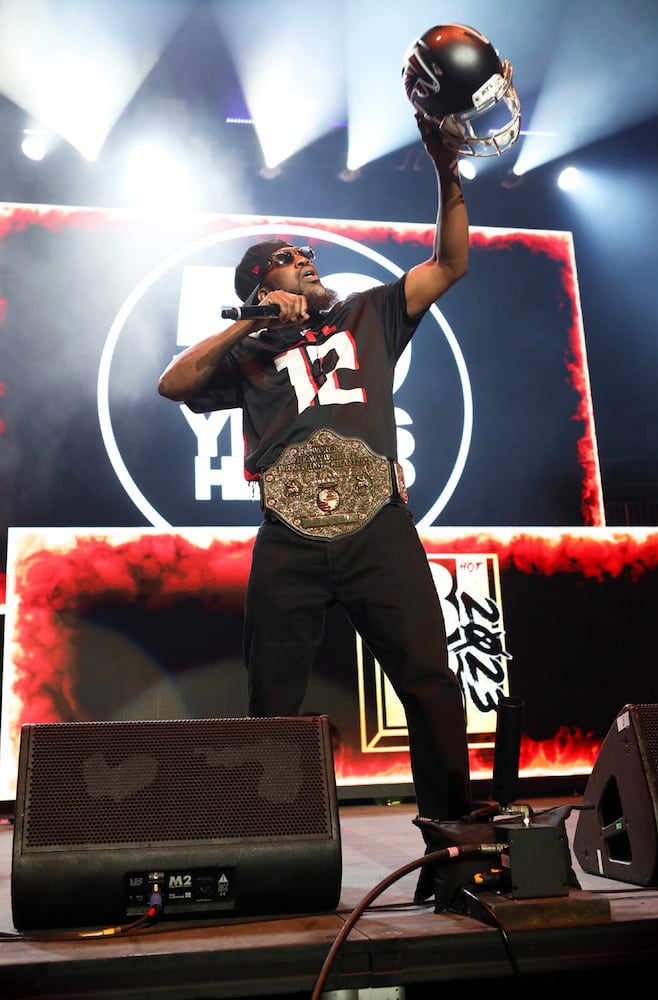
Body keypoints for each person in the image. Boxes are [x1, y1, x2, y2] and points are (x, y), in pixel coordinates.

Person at [158, 117, 472, 898]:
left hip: (377, 527)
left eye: (306, 256)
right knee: (274, 702)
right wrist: (252, 326)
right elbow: (172, 384)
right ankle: (276, 857)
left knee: (430, 681)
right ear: (262, 282)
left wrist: (447, 170)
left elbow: (450, 263)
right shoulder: (249, 354)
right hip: (289, 538)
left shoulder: (370, 312)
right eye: (288, 260)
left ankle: (450, 851)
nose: (307, 262)